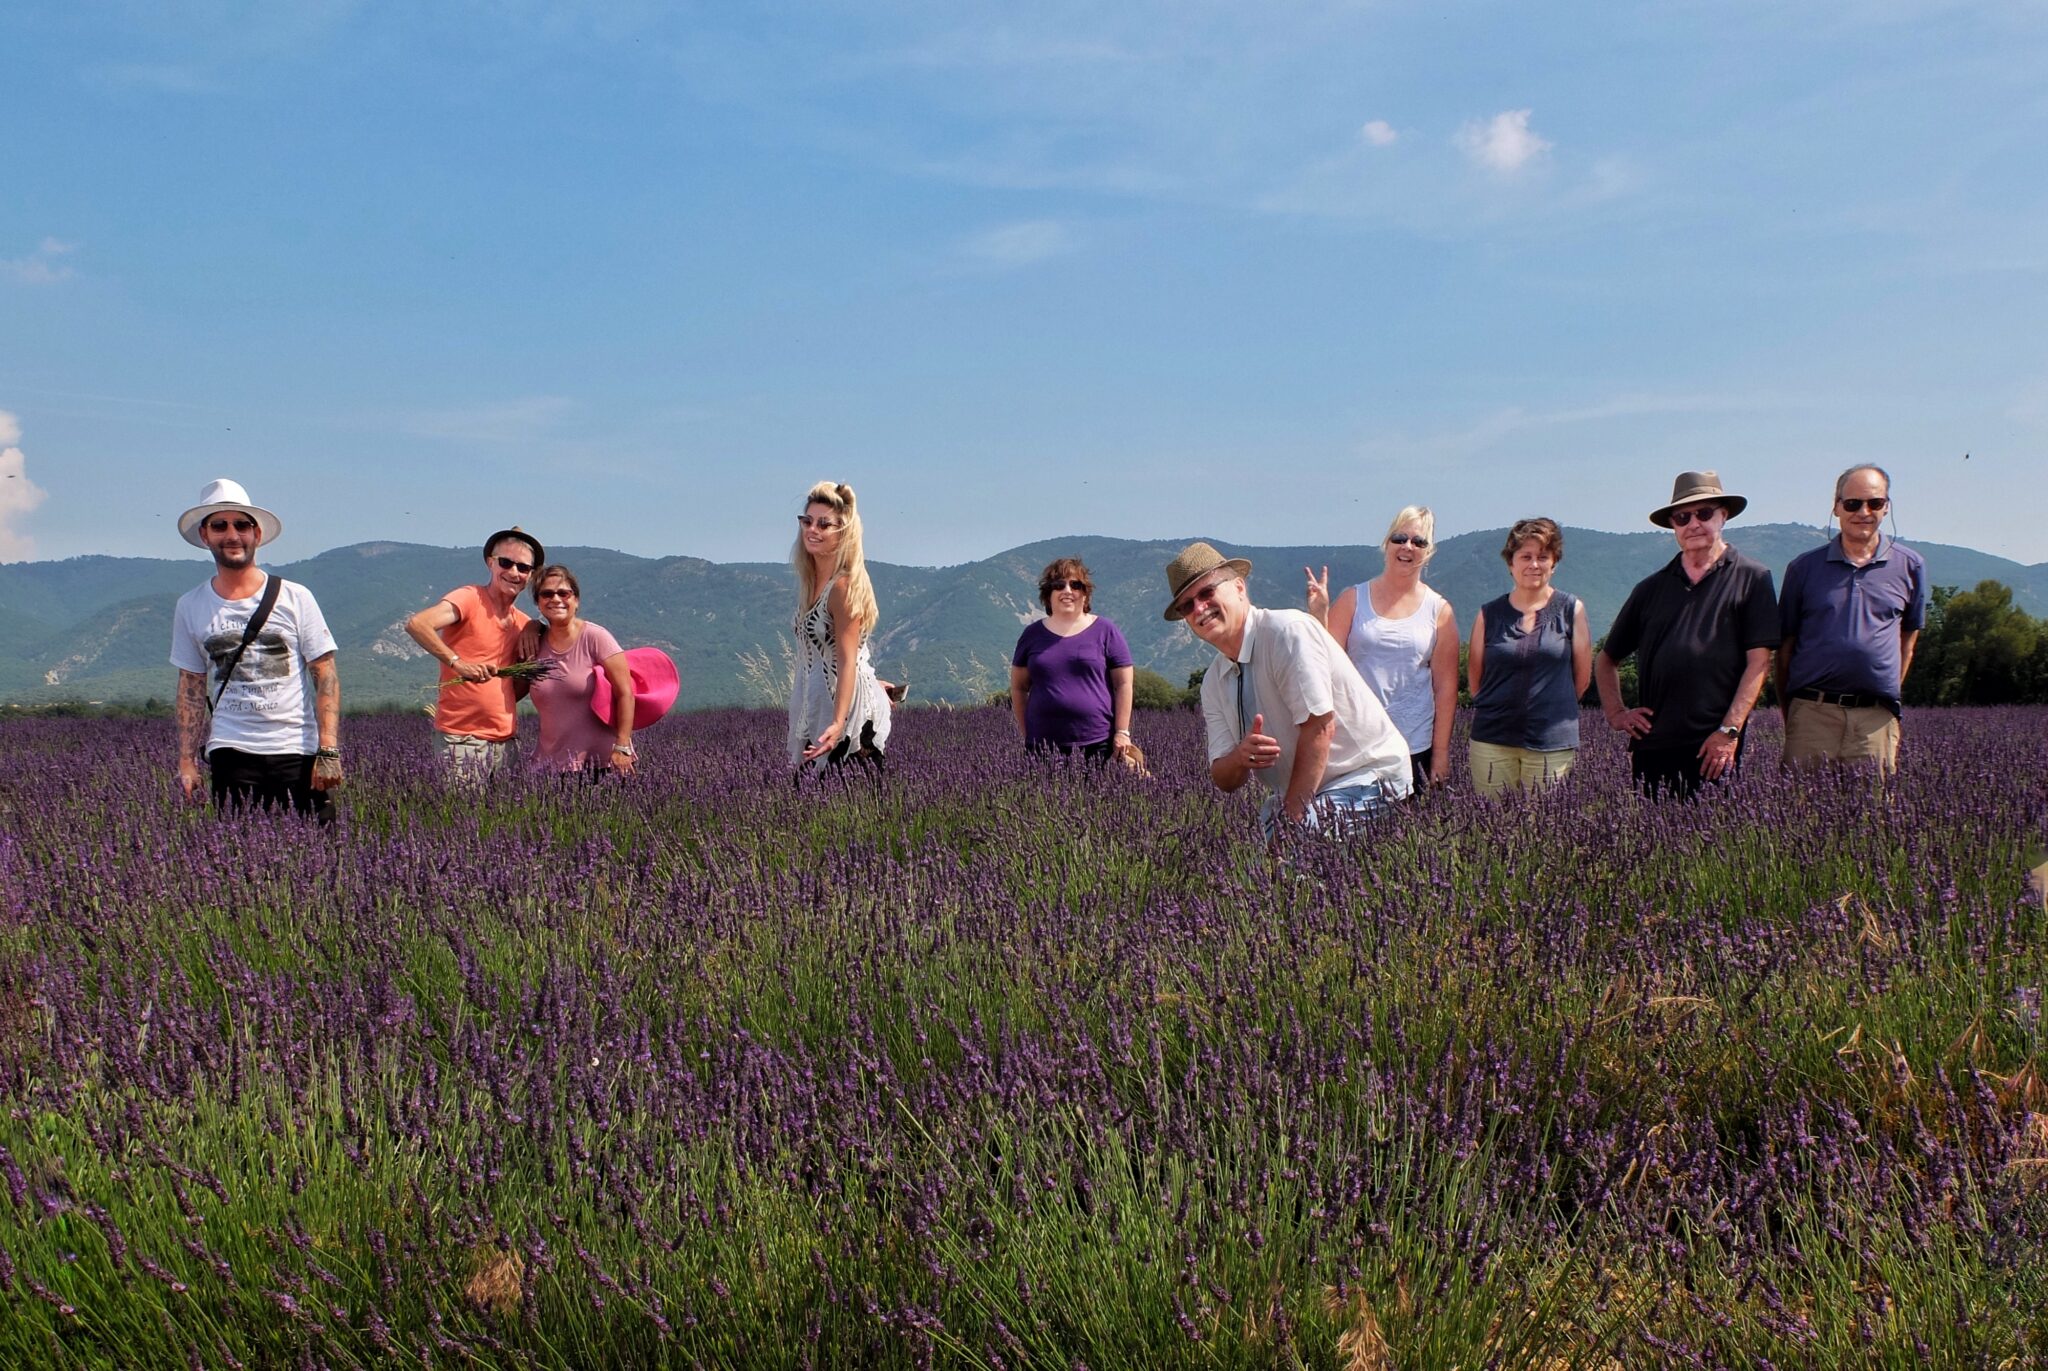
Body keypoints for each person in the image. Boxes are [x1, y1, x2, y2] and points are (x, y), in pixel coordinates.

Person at [1166, 541, 1410, 840]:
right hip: (1305, 792)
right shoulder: (1214, 682)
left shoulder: (1286, 633)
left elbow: (1320, 728)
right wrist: (1241, 757)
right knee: (1256, 874)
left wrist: (1293, 824)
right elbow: (1222, 777)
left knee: (1295, 861)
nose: (1199, 608)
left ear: (1239, 587)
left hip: (1366, 777)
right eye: (1187, 605)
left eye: (1207, 592)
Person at [1595, 471, 1779, 799]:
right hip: (1654, 748)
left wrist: (1729, 731)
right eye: (1683, 517)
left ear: (1723, 516)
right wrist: (1616, 713)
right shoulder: (1650, 589)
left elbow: (1759, 664)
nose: (1693, 523)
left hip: (1714, 748)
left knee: (1716, 844)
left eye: (1704, 513)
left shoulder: (1753, 578)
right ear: (1674, 527)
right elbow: (1607, 659)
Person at [168, 478, 343, 818]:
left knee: (321, 852)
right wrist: (187, 761)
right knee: (241, 860)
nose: (232, 535)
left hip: (298, 748)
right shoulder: (190, 606)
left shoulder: (296, 597)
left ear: (256, 534)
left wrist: (329, 750)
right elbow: (190, 685)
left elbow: (325, 674)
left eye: (242, 525)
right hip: (231, 752)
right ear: (205, 536)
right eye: (220, 525)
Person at [1774, 465, 1927, 775]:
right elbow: (1784, 648)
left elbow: (1907, 641)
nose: (1864, 512)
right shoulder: (1803, 568)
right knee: (1801, 814)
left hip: (1875, 719)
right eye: (1853, 503)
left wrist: (1886, 693)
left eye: (1875, 503)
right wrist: (1793, 712)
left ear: (1887, 507)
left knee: (1872, 817)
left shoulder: (1911, 566)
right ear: (1836, 506)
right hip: (1812, 714)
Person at [1304, 506, 1458, 788]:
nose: (1407, 547)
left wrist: (1441, 753)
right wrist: (1319, 614)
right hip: (1358, 743)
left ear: (1428, 552)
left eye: (1419, 541)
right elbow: (1324, 662)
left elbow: (1445, 688)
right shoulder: (1353, 599)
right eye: (1400, 538)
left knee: (1414, 828)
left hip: (1415, 745)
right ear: (1387, 543)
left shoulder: (1440, 611)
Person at [1465, 518, 1592, 797]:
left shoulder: (1572, 610)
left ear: (1554, 563)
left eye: (1542, 557)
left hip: (1552, 743)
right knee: (1491, 828)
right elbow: (1476, 680)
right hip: (1492, 741)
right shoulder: (1489, 614)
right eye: (1525, 556)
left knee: (1545, 832)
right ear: (1511, 563)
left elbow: (1581, 680)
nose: (1534, 564)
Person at [405, 526, 544, 779]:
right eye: (506, 563)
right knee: (463, 816)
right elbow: (417, 624)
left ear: (531, 575)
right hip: (462, 741)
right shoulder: (470, 598)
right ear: (491, 563)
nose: (514, 572)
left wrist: (536, 626)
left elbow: (518, 688)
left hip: (507, 742)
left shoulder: (523, 624)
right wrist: (458, 663)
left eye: (523, 568)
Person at [788, 481, 892, 772]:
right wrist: (872, 680)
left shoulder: (842, 588)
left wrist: (837, 721)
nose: (812, 530)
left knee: (844, 800)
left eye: (824, 524)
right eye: (807, 521)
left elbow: (847, 662)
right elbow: (834, 651)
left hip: (846, 716)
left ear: (842, 533)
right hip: (817, 705)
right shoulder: (811, 584)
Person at [1010, 557, 1137, 762]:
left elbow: (1124, 684)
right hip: (1041, 745)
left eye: (1075, 585)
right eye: (1059, 585)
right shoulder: (1031, 635)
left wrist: (1122, 731)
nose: (1067, 591)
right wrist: (1027, 732)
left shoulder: (1106, 631)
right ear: (1048, 595)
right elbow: (1018, 687)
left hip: (1097, 743)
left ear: (1085, 594)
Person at [523, 565, 637, 777]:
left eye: (563, 593)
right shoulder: (534, 644)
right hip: (549, 763)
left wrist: (622, 746)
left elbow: (626, 693)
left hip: (602, 763)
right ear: (538, 604)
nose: (555, 599)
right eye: (547, 594)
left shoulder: (595, 637)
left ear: (576, 600)